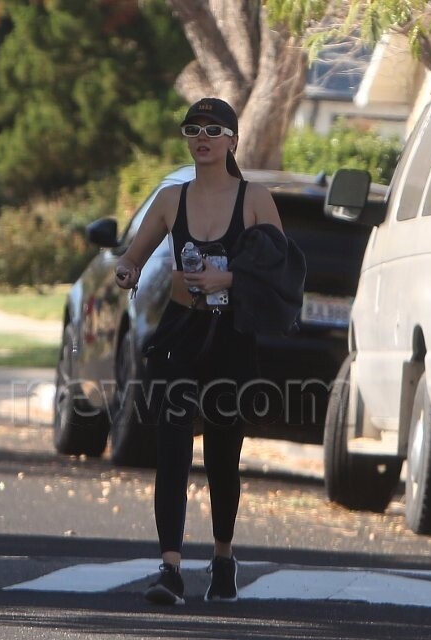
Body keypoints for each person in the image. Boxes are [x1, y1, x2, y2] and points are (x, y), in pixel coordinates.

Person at [115, 97, 285, 605]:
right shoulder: (171, 198)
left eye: (213, 130)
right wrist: (127, 269)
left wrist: (226, 278)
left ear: (233, 140)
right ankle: (170, 568)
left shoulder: (254, 198)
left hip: (231, 335)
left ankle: (223, 558)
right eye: (194, 129)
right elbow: (135, 254)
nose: (202, 138)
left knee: (222, 454)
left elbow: (278, 267)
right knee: (171, 447)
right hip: (180, 332)